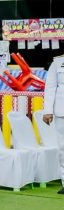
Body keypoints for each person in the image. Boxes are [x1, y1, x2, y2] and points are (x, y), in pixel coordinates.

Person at [41, 50, 64, 194]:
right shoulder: (58, 62)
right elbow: (50, 87)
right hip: (62, 111)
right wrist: (47, 110)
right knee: (63, 149)